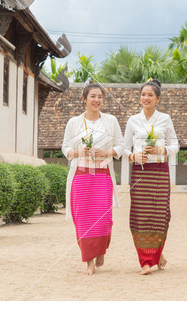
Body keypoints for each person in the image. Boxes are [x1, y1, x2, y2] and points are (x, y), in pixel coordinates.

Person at [62, 81, 124, 275]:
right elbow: (65, 148)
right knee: (83, 219)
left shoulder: (111, 121)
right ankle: (88, 261)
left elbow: (121, 146)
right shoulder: (74, 122)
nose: (97, 100)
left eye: (100, 97)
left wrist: (106, 152)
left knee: (104, 219)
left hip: (102, 176)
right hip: (81, 176)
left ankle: (101, 250)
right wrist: (78, 152)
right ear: (84, 99)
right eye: (93, 96)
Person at [123, 79, 179, 275]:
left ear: (158, 99)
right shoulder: (133, 120)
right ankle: (147, 261)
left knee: (161, 215)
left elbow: (176, 146)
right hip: (140, 172)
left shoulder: (165, 119)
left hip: (160, 172)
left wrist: (161, 149)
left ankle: (157, 252)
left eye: (150, 95)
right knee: (140, 216)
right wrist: (133, 156)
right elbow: (123, 147)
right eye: (143, 94)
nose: (145, 98)